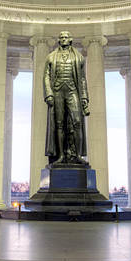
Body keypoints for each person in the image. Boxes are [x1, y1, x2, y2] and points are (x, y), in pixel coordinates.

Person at [43, 31, 90, 164]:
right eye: (61, 38)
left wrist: (84, 97)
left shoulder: (78, 57)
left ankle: (77, 155)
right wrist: (49, 93)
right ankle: (61, 156)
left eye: (66, 37)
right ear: (59, 40)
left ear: (70, 40)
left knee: (77, 122)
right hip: (57, 91)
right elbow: (46, 76)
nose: (63, 39)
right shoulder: (51, 57)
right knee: (59, 124)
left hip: (72, 91)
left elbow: (82, 79)